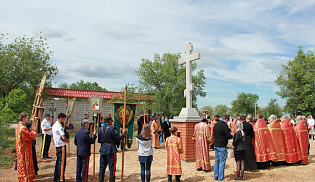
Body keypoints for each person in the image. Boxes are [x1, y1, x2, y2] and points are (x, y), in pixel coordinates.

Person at [98, 116, 127, 182]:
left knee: (102, 166)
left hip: (103, 148)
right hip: (111, 149)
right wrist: (123, 134)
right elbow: (117, 138)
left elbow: (99, 140)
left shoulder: (100, 129)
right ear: (110, 121)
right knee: (112, 167)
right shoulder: (112, 128)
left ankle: (101, 180)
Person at [15, 111, 38, 182]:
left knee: (22, 163)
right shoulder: (23, 128)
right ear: (24, 118)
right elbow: (31, 136)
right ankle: (26, 178)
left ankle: (24, 177)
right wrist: (33, 129)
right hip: (24, 149)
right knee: (26, 164)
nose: (27, 119)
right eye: (27, 118)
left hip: (21, 149)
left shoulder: (18, 127)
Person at [213, 114, 233, 181]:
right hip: (222, 145)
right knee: (222, 162)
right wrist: (232, 136)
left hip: (216, 144)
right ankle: (220, 177)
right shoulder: (224, 126)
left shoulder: (216, 124)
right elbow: (228, 135)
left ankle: (215, 176)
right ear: (226, 120)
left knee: (216, 161)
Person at [52, 113, 69, 182]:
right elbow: (63, 136)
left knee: (58, 162)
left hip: (57, 145)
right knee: (61, 163)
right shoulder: (59, 126)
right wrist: (67, 140)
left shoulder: (54, 125)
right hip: (61, 145)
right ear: (61, 118)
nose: (63, 121)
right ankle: (60, 178)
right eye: (63, 119)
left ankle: (56, 177)